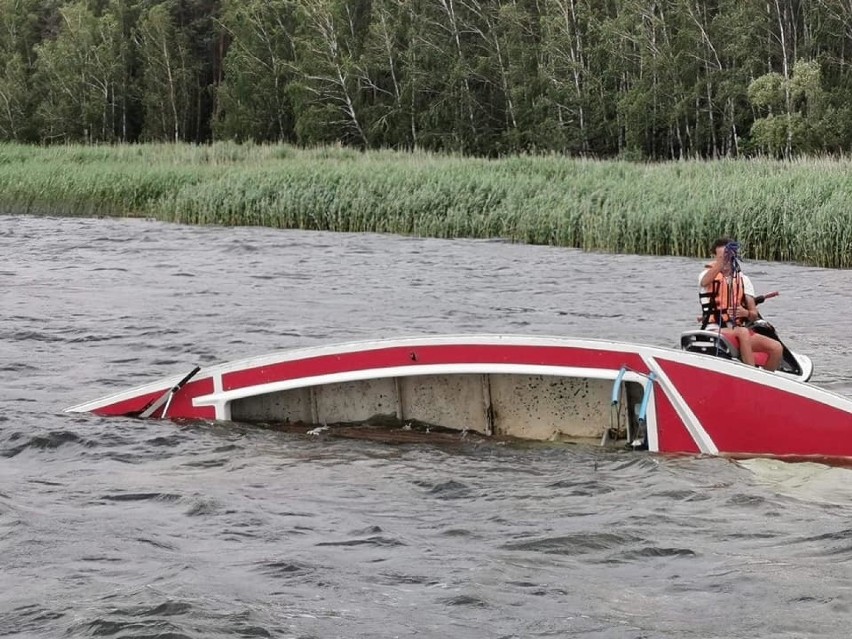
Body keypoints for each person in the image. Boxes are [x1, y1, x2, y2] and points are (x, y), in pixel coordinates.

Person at [698, 237, 783, 371]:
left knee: (776, 348)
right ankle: (752, 376)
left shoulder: (744, 280)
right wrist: (720, 263)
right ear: (715, 257)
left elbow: (754, 315)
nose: (725, 262)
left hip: (737, 330)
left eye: (727, 257)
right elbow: (704, 282)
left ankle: (763, 383)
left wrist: (746, 313)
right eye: (720, 258)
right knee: (743, 332)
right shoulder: (706, 275)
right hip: (714, 329)